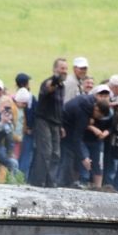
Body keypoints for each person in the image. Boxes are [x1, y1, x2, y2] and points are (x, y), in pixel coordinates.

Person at [29, 58, 67, 187]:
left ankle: (51, 181)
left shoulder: (63, 87)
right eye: (62, 68)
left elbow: (59, 107)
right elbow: (48, 89)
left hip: (56, 122)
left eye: (66, 69)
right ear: (55, 69)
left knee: (56, 153)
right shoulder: (49, 83)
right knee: (45, 151)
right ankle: (39, 181)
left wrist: (61, 125)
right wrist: (56, 80)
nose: (64, 71)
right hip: (44, 120)